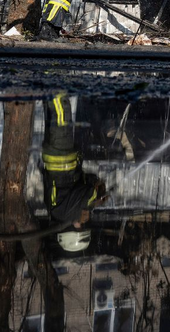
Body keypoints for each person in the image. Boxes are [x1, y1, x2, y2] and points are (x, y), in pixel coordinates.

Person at [40, 93, 107, 253]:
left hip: (61, 155)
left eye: (81, 226)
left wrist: (94, 199)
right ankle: (47, 78)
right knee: (54, 111)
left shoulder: (64, 214)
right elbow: (84, 183)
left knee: (62, 111)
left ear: (70, 229)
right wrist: (97, 190)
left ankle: (53, 74)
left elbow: (86, 192)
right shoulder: (60, 211)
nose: (83, 222)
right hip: (59, 156)